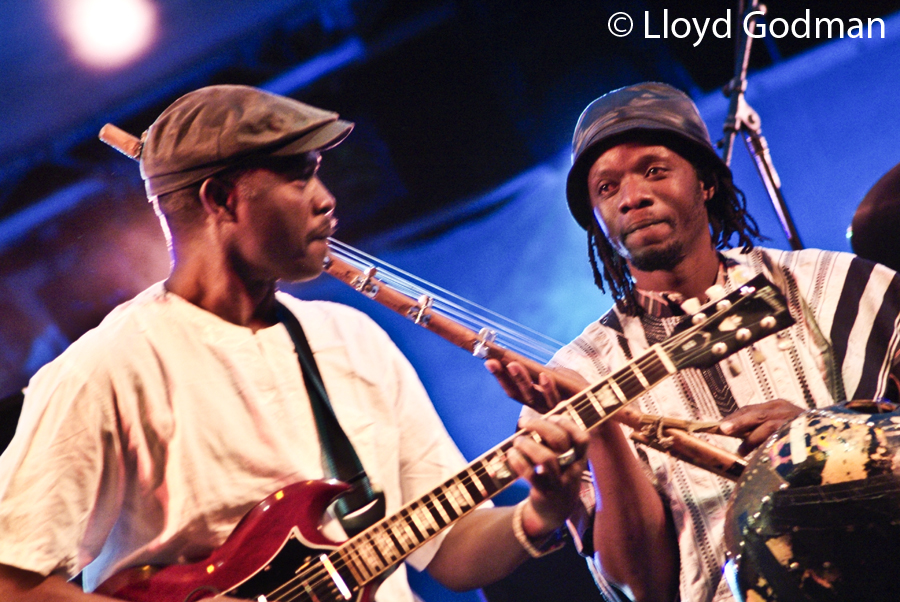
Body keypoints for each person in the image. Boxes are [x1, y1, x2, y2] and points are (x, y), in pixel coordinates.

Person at [0, 85, 589, 602]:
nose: (325, 198)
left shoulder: (352, 341)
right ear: (221, 199)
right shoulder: (106, 369)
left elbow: (449, 551)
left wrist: (539, 515)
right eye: (298, 174)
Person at [487, 82, 900, 602]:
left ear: (705, 182)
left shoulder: (833, 287)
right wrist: (604, 430)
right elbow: (644, 587)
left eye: (654, 170)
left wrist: (823, 439)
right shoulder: (579, 371)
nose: (632, 196)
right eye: (606, 188)